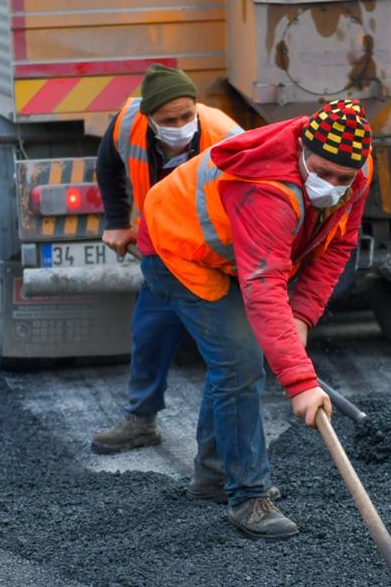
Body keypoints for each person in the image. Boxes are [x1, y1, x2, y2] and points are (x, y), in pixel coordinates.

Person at [139, 99, 373, 539]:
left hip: (232, 256)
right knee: (241, 359)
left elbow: (340, 244)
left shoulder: (356, 172)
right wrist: (300, 383)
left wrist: (303, 313)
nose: (332, 185)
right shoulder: (269, 190)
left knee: (235, 359)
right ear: (302, 149)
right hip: (177, 250)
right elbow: (263, 288)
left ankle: (212, 475)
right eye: (322, 172)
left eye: (343, 178)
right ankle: (248, 496)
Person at [89, 65, 242, 462]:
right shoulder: (126, 124)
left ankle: (219, 457)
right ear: (148, 118)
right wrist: (118, 223)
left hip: (211, 253)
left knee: (227, 353)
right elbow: (106, 166)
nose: (180, 126)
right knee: (151, 331)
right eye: (169, 120)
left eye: (187, 116)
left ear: (197, 108)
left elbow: (251, 201)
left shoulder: (227, 136)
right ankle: (142, 420)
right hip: (160, 248)